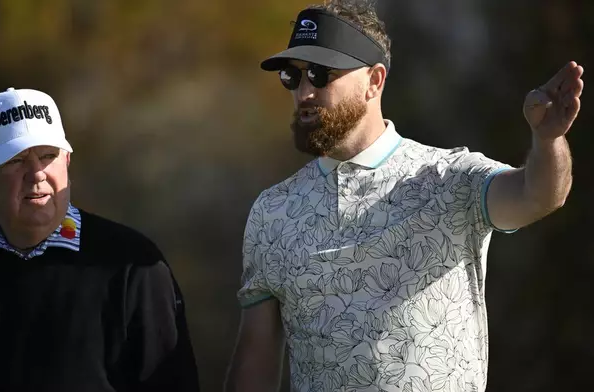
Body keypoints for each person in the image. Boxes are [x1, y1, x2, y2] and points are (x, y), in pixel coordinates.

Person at [224, 1, 584, 391]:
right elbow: (255, 361)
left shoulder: (450, 180)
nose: (305, 91)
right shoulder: (272, 211)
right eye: (292, 77)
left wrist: (548, 141)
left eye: (320, 73)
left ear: (374, 81)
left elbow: (539, 195)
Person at [0, 87, 200, 392]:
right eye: (16, 160)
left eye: (48, 156)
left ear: (67, 162)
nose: (37, 174)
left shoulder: (133, 266)